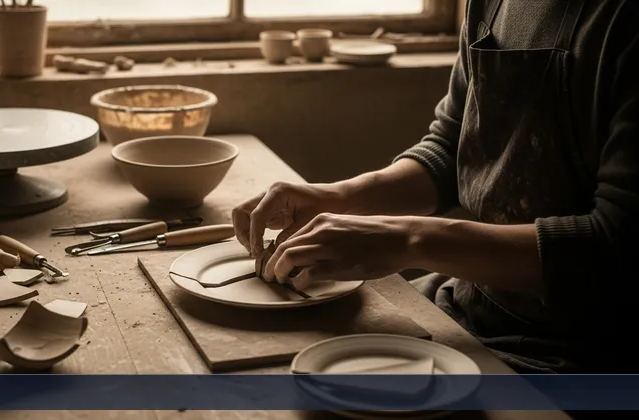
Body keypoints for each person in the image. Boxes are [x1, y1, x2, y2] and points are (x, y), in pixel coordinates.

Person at [231, 0, 639, 374]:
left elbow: (613, 248)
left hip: (586, 356)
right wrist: (340, 196)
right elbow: (452, 145)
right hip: (470, 305)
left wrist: (409, 240)